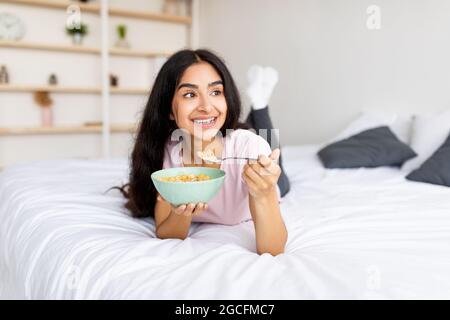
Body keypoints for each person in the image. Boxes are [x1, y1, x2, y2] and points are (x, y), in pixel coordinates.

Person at [115, 49, 288, 255]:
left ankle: (260, 103)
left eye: (216, 92)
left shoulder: (250, 148)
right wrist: (181, 214)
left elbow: (273, 249)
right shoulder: (169, 155)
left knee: (268, 144)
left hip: (270, 179)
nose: (206, 106)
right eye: (190, 94)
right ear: (169, 110)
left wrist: (265, 193)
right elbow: (167, 233)